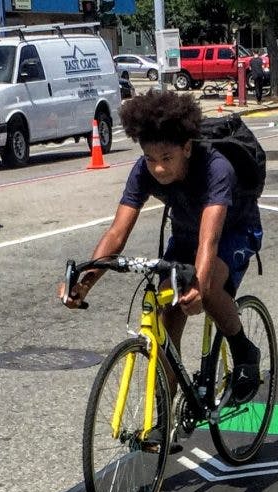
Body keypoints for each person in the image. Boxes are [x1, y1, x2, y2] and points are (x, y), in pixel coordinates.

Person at [60, 90, 262, 403]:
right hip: (184, 236)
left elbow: (209, 240)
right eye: (151, 159)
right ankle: (163, 414)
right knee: (167, 310)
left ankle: (244, 351)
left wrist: (198, 285)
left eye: (167, 159)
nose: (158, 169)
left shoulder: (215, 168)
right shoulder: (143, 171)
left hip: (234, 232)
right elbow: (117, 232)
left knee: (205, 288)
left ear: (187, 147)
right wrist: (85, 282)